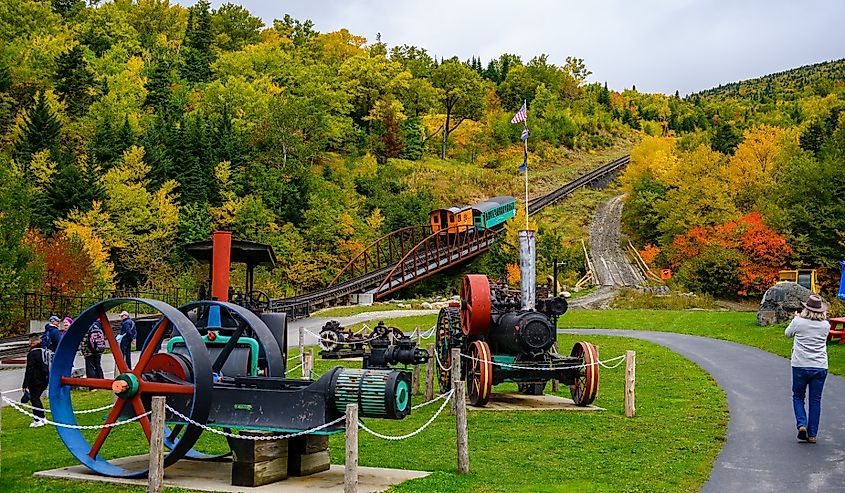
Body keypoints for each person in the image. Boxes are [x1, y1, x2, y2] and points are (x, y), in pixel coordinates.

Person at [785, 294, 830, 444]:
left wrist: (796, 318)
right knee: (815, 400)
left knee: (798, 396)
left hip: (800, 364)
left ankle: (802, 424)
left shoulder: (798, 322)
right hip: (819, 366)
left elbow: (787, 334)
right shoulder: (826, 325)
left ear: (806, 308)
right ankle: (812, 435)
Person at [22, 334, 50, 428]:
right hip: (45, 378)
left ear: (32, 342)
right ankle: (42, 417)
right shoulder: (44, 351)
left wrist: (25, 384)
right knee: (37, 398)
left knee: (34, 399)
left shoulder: (32, 353)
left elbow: (29, 369)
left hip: (35, 380)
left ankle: (37, 419)